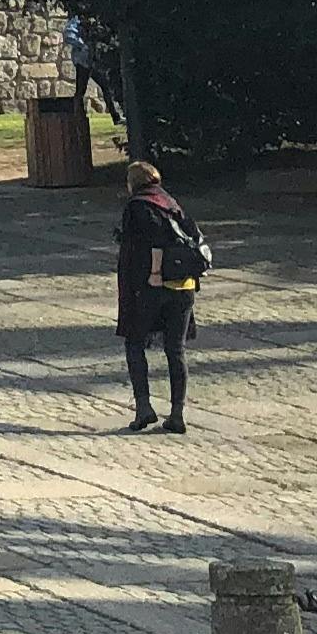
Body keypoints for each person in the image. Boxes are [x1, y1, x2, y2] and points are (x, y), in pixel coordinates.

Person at [115, 159, 206, 432]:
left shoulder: (138, 207)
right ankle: (177, 413)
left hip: (152, 287)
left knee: (135, 343)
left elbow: (155, 242)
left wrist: (154, 273)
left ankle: (144, 407)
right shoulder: (171, 203)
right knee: (175, 349)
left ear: (133, 183)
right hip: (184, 286)